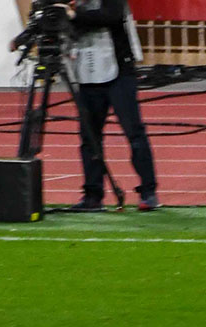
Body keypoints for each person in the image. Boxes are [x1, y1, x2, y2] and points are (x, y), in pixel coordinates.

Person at [62, 0, 160, 211]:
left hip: (119, 72)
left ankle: (148, 192)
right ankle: (92, 195)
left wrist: (74, 15)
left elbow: (111, 15)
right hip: (86, 72)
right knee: (89, 137)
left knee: (134, 132)